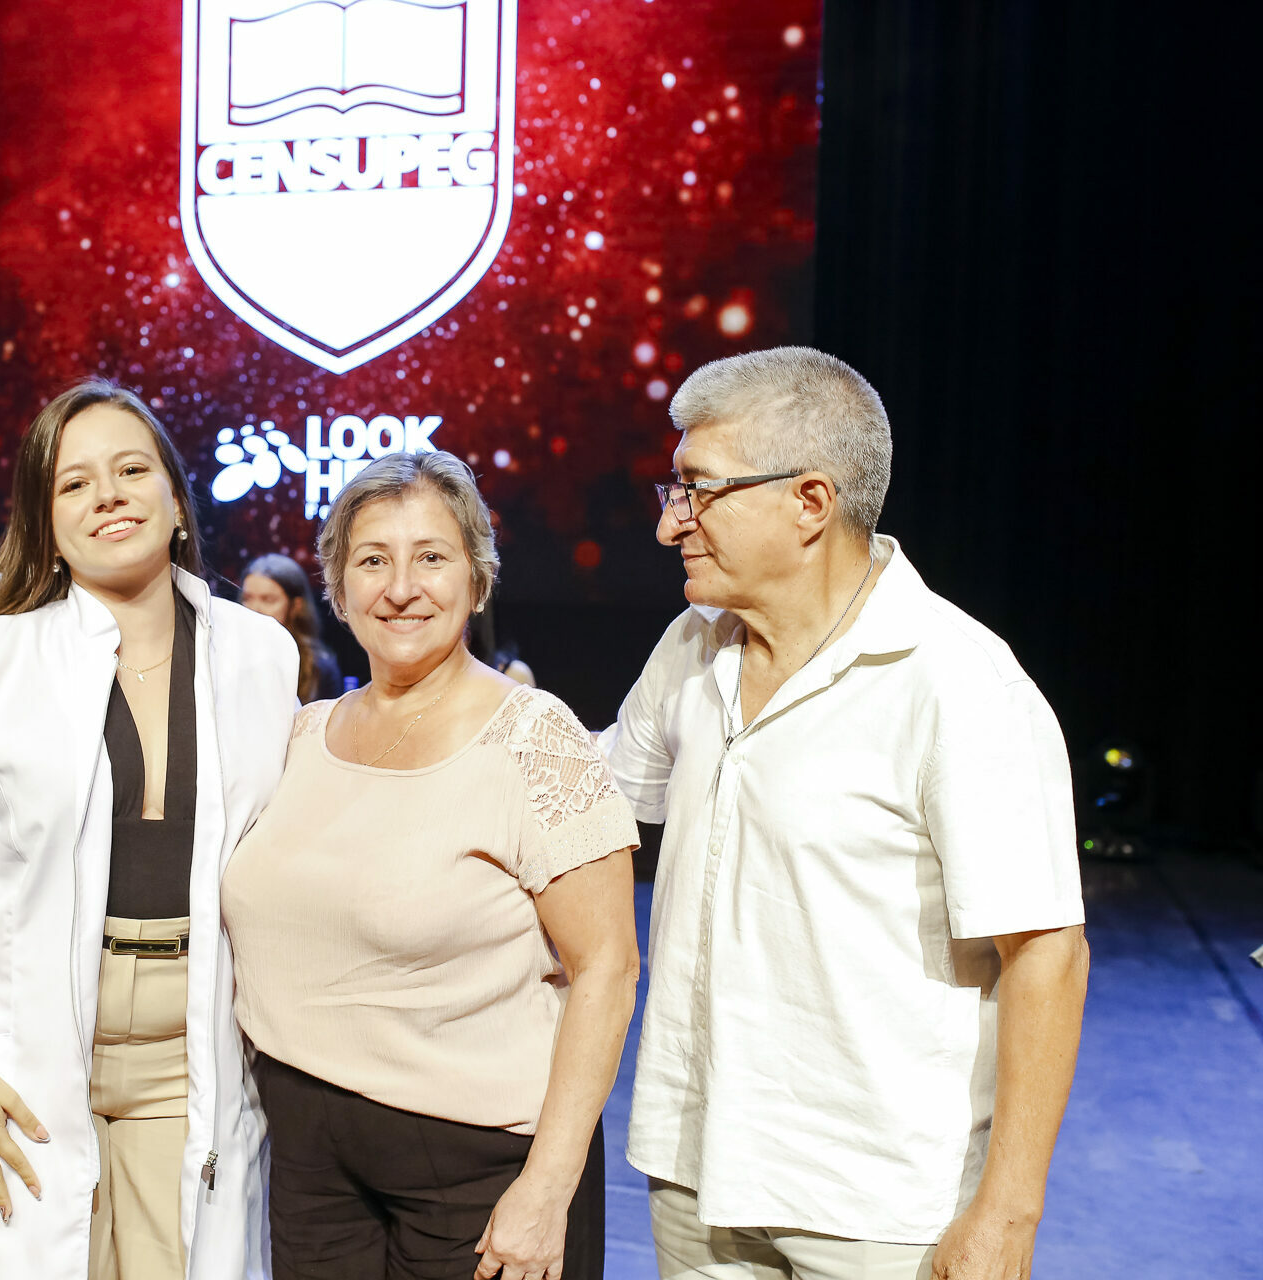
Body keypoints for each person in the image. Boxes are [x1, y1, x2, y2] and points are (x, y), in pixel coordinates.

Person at [601, 347, 1088, 1280]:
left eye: (697, 491)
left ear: (810, 502)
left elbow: (1047, 955)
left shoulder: (956, 682)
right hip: (696, 1172)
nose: (670, 524)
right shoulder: (693, 645)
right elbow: (596, 794)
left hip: (878, 1209)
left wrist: (1009, 1212)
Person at [0, 379, 297, 1280]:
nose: (108, 495)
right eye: (74, 483)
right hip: (23, 1052)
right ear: (46, 521)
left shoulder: (260, 653)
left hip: (194, 1054)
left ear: (176, 500)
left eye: (131, 471)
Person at [221, 450, 640, 1280]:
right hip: (309, 1166)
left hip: (481, 1173)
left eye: (432, 557)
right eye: (373, 561)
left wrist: (546, 1190)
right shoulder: (301, 734)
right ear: (337, 589)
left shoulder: (536, 739)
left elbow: (609, 969)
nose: (401, 588)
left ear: (477, 580)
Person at [240, 552, 343, 700]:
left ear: (296, 606)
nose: (254, 609)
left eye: (268, 600)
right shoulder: (228, 653)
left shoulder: (319, 668)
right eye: (247, 598)